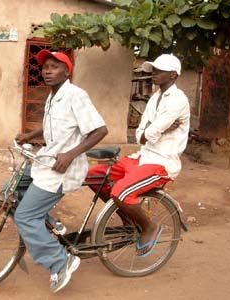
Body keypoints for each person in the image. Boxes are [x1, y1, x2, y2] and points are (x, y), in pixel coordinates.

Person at [14, 49, 108, 293]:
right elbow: (52, 129)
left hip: (63, 168)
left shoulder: (75, 95)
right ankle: (51, 223)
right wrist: (30, 135)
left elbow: (99, 130)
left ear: (67, 71)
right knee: (12, 189)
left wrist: (70, 155)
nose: (47, 71)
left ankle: (60, 262)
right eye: (45, 67)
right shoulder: (53, 95)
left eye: (54, 66)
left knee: (24, 216)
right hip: (46, 161)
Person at [87, 54, 190, 257]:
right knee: (94, 176)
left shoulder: (178, 100)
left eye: (159, 71)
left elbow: (150, 132)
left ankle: (149, 227)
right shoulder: (154, 98)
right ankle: (129, 218)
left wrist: (154, 130)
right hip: (143, 156)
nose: (154, 74)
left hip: (162, 162)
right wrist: (158, 129)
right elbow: (140, 135)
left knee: (121, 191)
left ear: (173, 75)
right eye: (154, 69)